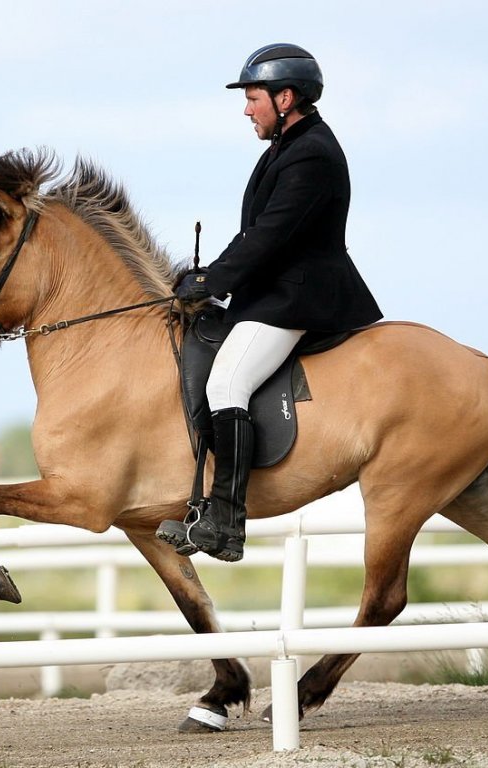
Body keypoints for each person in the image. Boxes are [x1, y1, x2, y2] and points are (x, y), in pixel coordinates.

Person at [156, 43, 383, 562]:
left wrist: (214, 283)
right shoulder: (284, 149)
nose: (246, 109)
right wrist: (208, 274)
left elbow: (273, 237)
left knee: (227, 381)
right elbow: (253, 234)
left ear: (286, 98)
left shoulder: (312, 153)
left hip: (299, 297)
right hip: (273, 291)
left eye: (253, 97)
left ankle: (225, 522)